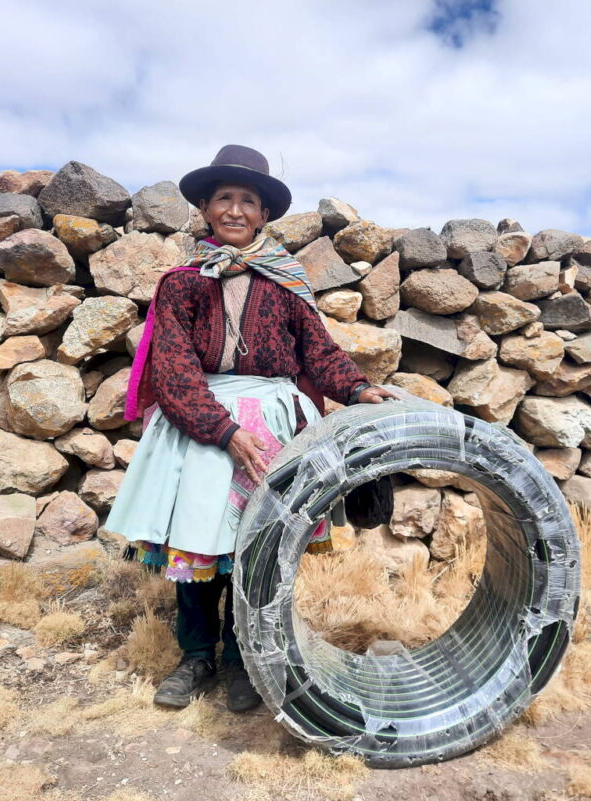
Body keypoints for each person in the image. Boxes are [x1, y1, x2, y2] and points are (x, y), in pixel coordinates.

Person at [106, 145, 393, 713]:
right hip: (202, 423)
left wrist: (359, 389)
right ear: (207, 210)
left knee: (254, 547)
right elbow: (174, 367)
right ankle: (195, 656)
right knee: (196, 546)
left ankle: (244, 657)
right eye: (224, 199)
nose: (235, 210)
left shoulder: (285, 283)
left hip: (275, 424)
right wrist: (221, 430)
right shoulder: (182, 284)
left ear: (263, 215)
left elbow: (318, 353)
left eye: (248, 201)